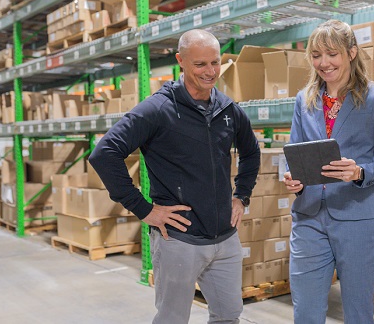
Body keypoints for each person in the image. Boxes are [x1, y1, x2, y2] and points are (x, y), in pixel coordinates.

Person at [89, 29, 261, 324]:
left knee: (229, 315)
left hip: (225, 239)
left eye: (215, 63)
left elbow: (252, 152)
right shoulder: (157, 109)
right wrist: (143, 209)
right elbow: (104, 154)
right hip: (179, 240)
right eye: (200, 65)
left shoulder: (228, 109)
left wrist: (241, 196)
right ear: (181, 61)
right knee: (172, 319)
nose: (210, 72)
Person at [282, 20, 374, 323]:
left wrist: (360, 172)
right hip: (309, 216)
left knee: (359, 313)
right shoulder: (304, 99)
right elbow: (294, 152)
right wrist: (292, 178)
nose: (324, 63)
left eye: (331, 54)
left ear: (351, 53)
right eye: (316, 55)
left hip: (358, 218)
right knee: (306, 312)